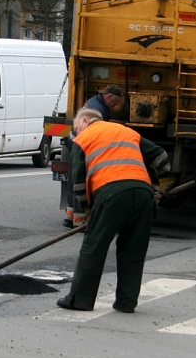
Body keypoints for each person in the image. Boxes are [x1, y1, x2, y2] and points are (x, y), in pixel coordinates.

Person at [56, 107, 171, 313]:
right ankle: (126, 302)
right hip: (143, 194)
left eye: (76, 128)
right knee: (133, 250)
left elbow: (79, 183)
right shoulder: (126, 132)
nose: (75, 133)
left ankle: (80, 300)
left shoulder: (81, 141)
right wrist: (162, 185)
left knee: (94, 247)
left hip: (111, 194)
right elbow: (160, 156)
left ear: (84, 122)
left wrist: (89, 212)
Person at [63, 84, 125, 228]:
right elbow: (96, 133)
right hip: (82, 144)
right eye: (114, 102)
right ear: (109, 97)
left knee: (73, 179)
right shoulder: (99, 110)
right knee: (82, 180)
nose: (115, 106)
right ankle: (80, 221)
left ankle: (70, 216)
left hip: (74, 140)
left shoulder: (93, 103)